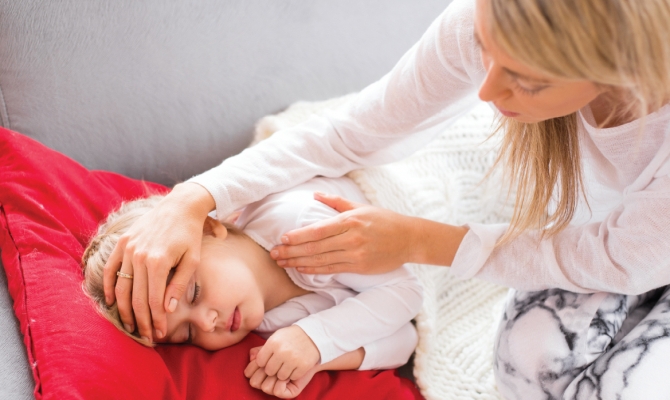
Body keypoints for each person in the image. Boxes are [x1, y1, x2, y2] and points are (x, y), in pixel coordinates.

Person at [102, 0, 670, 398]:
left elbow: (622, 258)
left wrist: (418, 242)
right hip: (608, 232)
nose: (486, 91)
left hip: (628, 247)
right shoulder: (497, 19)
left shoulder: (297, 227)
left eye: (528, 80)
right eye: (485, 48)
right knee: (528, 362)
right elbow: (353, 131)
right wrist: (191, 199)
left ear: (622, 61)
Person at [83, 177, 422, 398]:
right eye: (186, 334)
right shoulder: (268, 323)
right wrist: (317, 357)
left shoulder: (301, 226)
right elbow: (405, 338)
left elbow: (409, 292)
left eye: (194, 293)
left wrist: (317, 338)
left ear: (210, 229)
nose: (206, 324)